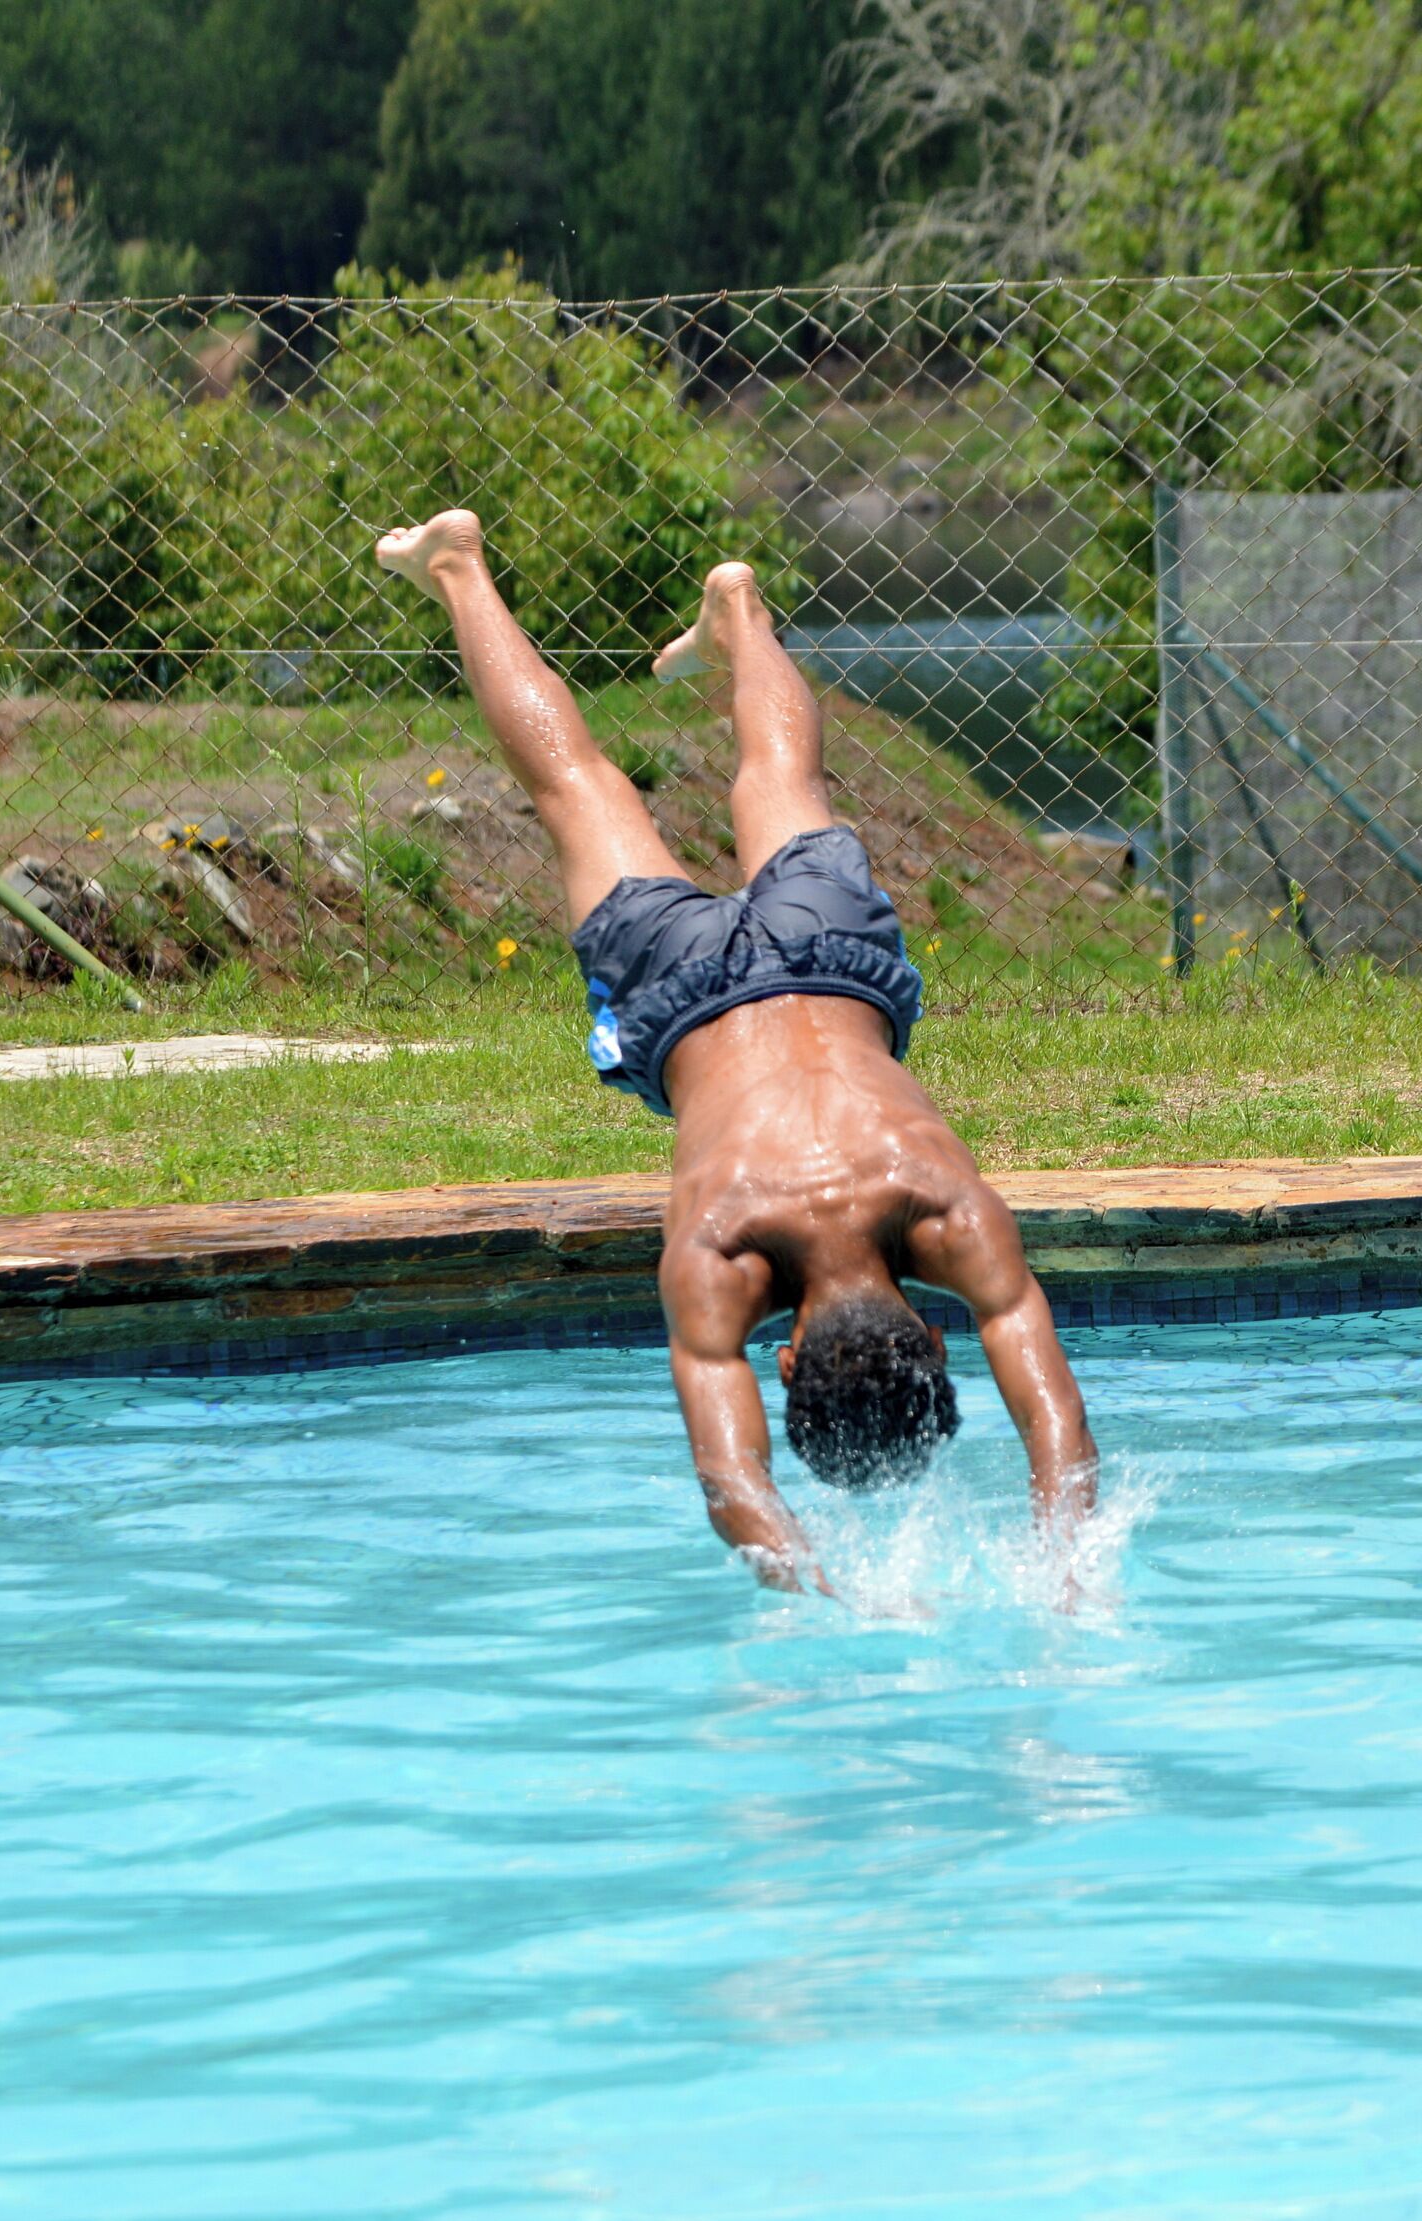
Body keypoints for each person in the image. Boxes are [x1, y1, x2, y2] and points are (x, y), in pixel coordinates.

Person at [372, 508, 1097, 1590]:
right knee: (579, 790)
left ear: (930, 1340)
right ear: (788, 1358)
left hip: (830, 955)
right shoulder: (715, 1257)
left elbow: (1057, 1428)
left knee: (781, 781)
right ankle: (460, 570)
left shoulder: (950, 1211)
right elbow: (731, 1483)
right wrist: (815, 1591)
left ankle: (741, 610)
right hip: (677, 992)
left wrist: (1071, 1556)